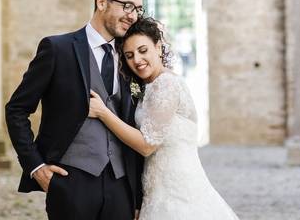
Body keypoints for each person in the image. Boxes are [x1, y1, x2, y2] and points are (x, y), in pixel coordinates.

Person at [5, 0, 146, 220]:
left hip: (121, 185)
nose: (133, 15)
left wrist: (137, 195)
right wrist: (35, 166)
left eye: (138, 9)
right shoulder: (58, 49)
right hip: (71, 182)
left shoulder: (131, 58)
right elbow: (16, 109)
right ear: (101, 2)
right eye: (127, 6)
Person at [88, 17, 240, 220]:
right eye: (130, 55)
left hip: (179, 191)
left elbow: (147, 145)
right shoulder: (150, 86)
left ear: (158, 47)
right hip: (156, 190)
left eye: (143, 51)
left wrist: (103, 113)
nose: (137, 60)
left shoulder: (166, 84)